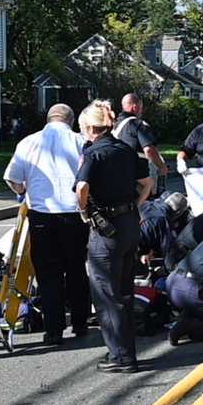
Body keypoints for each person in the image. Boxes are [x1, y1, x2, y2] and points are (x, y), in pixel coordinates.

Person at [3, 103, 92, 346]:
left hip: (42, 214)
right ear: (71, 120)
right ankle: (80, 322)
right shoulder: (80, 141)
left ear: (48, 118)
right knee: (75, 270)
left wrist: (23, 190)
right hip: (75, 214)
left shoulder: (29, 142)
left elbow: (12, 177)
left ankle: (54, 329)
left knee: (48, 274)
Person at [75, 100, 151, 373]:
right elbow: (147, 183)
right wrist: (137, 204)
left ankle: (121, 356)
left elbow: (82, 186)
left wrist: (83, 210)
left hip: (106, 230)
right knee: (125, 291)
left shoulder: (94, 154)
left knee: (106, 294)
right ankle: (127, 349)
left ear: (89, 128)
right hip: (130, 223)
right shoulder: (126, 149)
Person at [113, 93, 166, 199]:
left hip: (118, 173)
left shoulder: (114, 126)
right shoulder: (138, 124)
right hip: (138, 174)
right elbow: (149, 150)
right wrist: (161, 167)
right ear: (135, 107)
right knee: (145, 206)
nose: (141, 111)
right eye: (141, 108)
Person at [138, 191, 191, 274]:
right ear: (178, 213)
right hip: (133, 250)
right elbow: (168, 252)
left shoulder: (147, 204)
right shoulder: (164, 220)